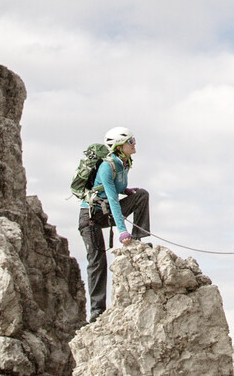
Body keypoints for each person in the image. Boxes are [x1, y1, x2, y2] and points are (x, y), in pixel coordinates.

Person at [79, 126, 150, 321]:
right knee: (97, 261)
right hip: (91, 217)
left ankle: (139, 237)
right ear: (119, 145)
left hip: (105, 212)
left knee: (141, 195)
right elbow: (111, 199)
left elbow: (115, 189)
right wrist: (121, 231)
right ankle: (96, 313)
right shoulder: (106, 166)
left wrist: (126, 191)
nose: (134, 143)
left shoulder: (124, 162)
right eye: (130, 141)